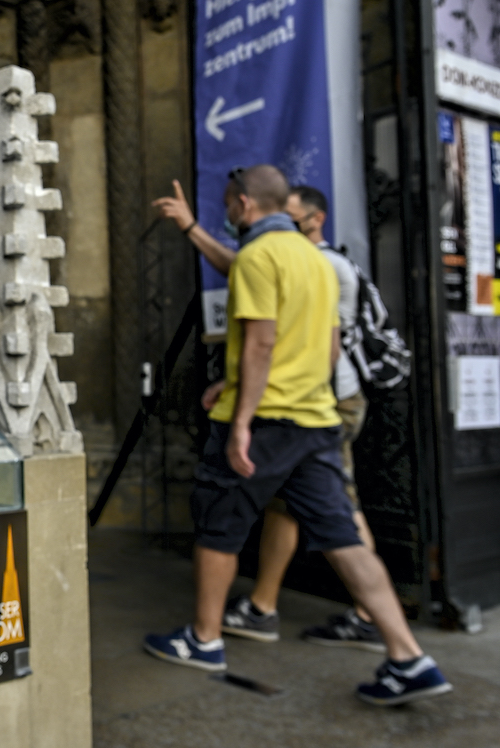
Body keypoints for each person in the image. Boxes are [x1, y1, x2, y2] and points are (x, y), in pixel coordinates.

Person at [142, 165, 451, 706]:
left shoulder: (261, 257)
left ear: (243, 204)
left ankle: (206, 639)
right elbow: (329, 349)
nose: (230, 215)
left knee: (219, 526)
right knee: (345, 536)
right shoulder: (317, 261)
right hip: (316, 422)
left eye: (229, 208)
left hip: (265, 423)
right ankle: (408, 655)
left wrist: (241, 418)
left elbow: (261, 341)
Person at [156, 182, 385, 651]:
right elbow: (245, 277)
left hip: (309, 406)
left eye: (293, 217)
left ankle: (369, 618)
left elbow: (300, 345)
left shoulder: (319, 264)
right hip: (296, 404)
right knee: (294, 508)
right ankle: (264, 607)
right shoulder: (299, 260)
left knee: (338, 512)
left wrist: (243, 411)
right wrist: (192, 227)